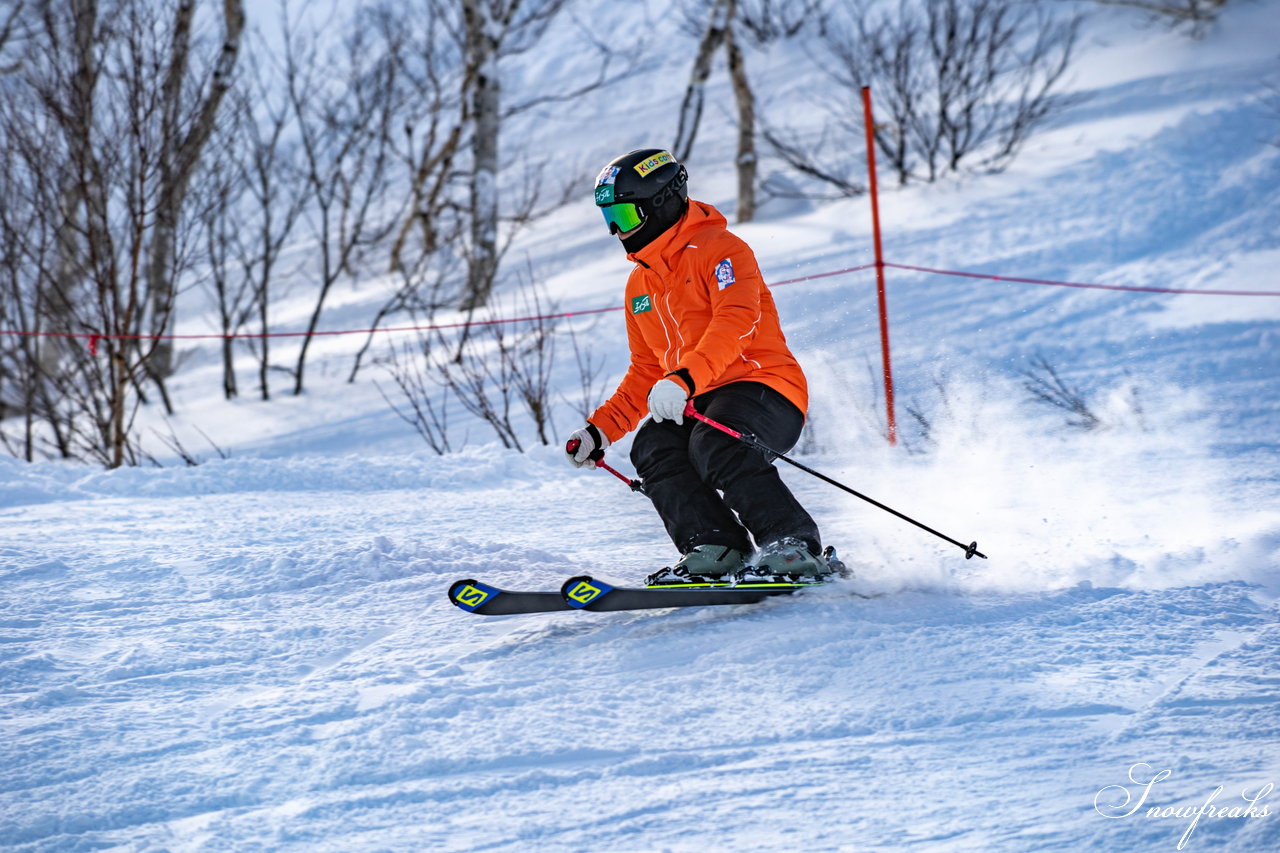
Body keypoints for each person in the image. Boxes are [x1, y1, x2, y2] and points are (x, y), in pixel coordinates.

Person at [564, 148, 830, 580]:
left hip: (765, 388)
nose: (616, 231)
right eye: (608, 220)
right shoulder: (640, 286)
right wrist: (600, 429)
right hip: (693, 397)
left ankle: (792, 544)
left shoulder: (721, 251)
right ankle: (716, 546)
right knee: (653, 445)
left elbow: (736, 322)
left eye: (625, 218)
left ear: (661, 202)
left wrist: (685, 378)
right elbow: (646, 370)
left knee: (717, 440)